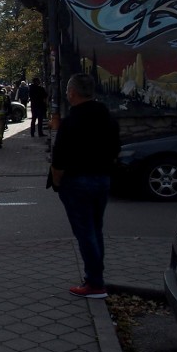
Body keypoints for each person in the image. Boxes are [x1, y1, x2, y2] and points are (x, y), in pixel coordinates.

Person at [49, 73, 120, 299]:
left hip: (77, 181)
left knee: (85, 232)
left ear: (72, 93)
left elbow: (58, 159)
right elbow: (116, 148)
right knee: (95, 229)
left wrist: (58, 183)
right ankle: (96, 277)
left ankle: (95, 284)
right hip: (102, 179)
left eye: (68, 91)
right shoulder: (107, 116)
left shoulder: (72, 121)